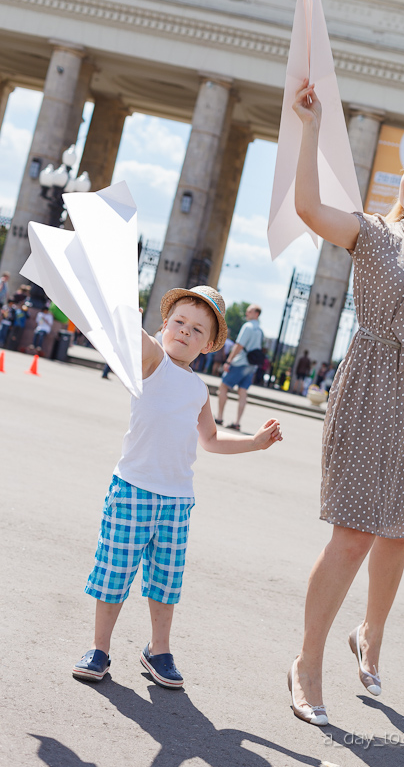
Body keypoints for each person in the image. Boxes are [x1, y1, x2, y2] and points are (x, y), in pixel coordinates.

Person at [287, 78, 404, 725]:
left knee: (397, 532)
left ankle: (371, 634)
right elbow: (310, 207)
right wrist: (311, 129)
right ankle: (307, 662)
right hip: (371, 385)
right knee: (353, 533)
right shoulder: (371, 233)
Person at [73, 286, 282, 687]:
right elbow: (136, 342)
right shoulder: (154, 362)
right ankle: (99, 648)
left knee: (166, 582)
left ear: (208, 345)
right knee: (115, 572)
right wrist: (128, 319)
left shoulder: (199, 388)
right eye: (179, 323)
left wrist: (255, 443)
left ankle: (159, 650)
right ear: (164, 326)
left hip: (176, 499)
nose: (185, 332)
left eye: (198, 330)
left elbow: (211, 440)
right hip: (133, 488)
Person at [216, 304, 263, 431]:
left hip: (240, 362)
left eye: (249, 311)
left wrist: (229, 360)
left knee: (224, 386)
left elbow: (239, 345)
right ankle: (237, 422)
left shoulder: (247, 327)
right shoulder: (259, 330)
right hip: (251, 366)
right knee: (243, 392)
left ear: (256, 314)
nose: (246, 313)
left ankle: (219, 417)